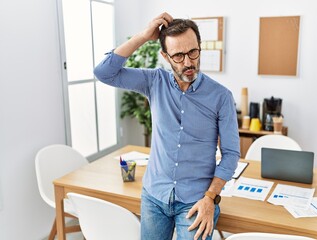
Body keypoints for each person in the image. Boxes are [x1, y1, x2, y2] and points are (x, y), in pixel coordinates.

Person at [94, 12, 240, 240]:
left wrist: (210, 197)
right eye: (179, 56)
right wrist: (142, 36)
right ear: (165, 55)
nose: (189, 62)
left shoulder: (221, 97)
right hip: (154, 195)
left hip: (196, 200)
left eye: (193, 52)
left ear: (199, 47)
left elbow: (231, 154)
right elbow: (103, 73)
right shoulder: (153, 81)